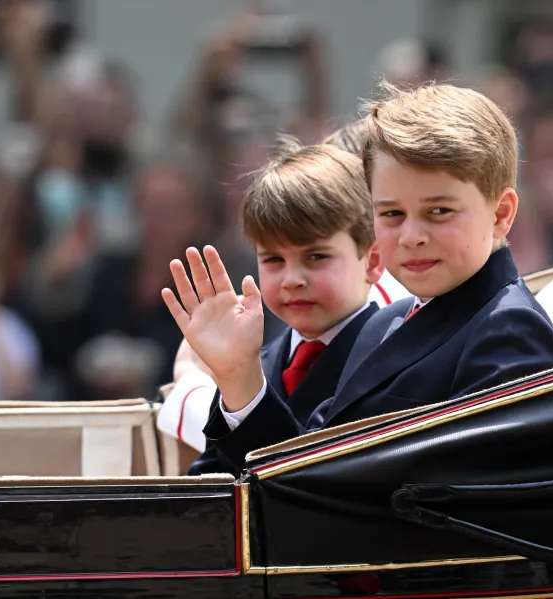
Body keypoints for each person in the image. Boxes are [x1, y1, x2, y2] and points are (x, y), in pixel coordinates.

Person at [163, 82, 553, 474]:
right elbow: (302, 471)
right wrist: (239, 375)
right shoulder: (385, 324)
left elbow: (477, 495)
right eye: (391, 214)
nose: (411, 236)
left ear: (501, 214)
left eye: (439, 211)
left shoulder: (507, 328)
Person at [164, 139, 388, 473]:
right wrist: (233, 372)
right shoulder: (261, 360)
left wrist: (238, 377)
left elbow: (302, 477)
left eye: (316, 257)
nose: (292, 279)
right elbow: (212, 479)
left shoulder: (390, 356)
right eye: (273, 260)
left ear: (372, 261)